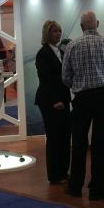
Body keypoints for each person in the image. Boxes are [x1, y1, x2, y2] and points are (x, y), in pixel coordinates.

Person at [61, 10, 104, 200]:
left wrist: (78, 86)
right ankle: (97, 188)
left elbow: (65, 77)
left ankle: (75, 186)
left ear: (81, 27)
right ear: (97, 24)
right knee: (101, 144)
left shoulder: (72, 46)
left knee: (79, 143)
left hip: (81, 99)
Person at [35, 20, 71, 184]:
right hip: (50, 101)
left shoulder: (61, 52)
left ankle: (63, 171)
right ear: (47, 33)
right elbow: (45, 79)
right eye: (54, 31)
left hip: (64, 98)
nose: (58, 34)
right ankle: (54, 175)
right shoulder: (43, 53)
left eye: (59, 31)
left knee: (65, 136)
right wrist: (55, 100)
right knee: (55, 137)